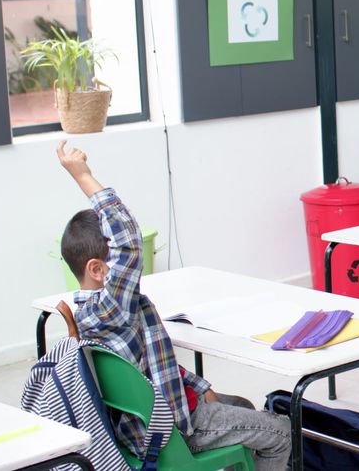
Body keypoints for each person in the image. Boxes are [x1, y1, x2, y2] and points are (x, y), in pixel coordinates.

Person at [56, 141, 291, 470]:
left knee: (243, 404)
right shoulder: (110, 308)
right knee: (281, 432)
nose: (133, 271)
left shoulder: (94, 313)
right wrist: (83, 175)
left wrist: (199, 386)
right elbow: (129, 241)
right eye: (119, 264)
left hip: (152, 422)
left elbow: (153, 364)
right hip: (174, 430)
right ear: (97, 269)